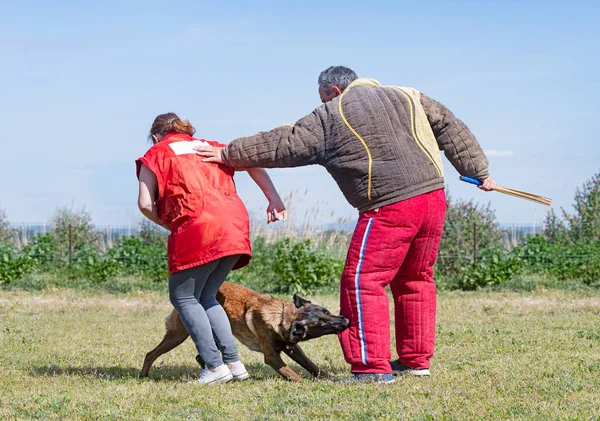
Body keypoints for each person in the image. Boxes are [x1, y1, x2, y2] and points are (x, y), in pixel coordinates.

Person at [195, 66, 497, 384]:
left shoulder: (333, 113)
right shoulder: (408, 95)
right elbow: (451, 126)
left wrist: (226, 154)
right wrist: (478, 171)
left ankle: (370, 368)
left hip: (388, 204)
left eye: (323, 98)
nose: (322, 104)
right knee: (416, 280)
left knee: (361, 281)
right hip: (433, 199)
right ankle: (416, 361)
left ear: (334, 92)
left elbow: (285, 142)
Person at [136, 112, 286, 385]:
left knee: (183, 298)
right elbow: (252, 161)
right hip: (235, 225)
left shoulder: (156, 153)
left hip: (199, 225)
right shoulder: (210, 146)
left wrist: (171, 225)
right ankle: (233, 363)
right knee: (205, 296)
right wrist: (273, 198)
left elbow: (145, 204)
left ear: (156, 136)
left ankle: (215, 367)